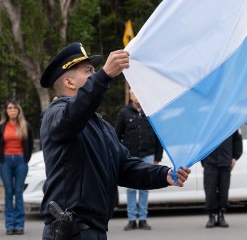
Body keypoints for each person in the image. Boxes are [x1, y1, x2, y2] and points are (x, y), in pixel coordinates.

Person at [39, 42, 191, 240]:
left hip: (95, 230)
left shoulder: (99, 125)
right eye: (88, 71)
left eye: (95, 71)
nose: (94, 75)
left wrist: (165, 175)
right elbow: (72, 115)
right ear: (69, 82)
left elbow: (124, 167)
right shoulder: (55, 114)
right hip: (71, 231)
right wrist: (104, 75)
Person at [115, 90, 164, 231]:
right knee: (130, 189)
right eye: (134, 93)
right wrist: (118, 155)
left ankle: (142, 219)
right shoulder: (124, 113)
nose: (137, 95)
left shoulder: (149, 112)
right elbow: (117, 136)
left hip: (148, 154)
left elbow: (157, 136)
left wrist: (157, 157)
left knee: (145, 188)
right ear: (130, 96)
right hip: (130, 155)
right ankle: (131, 219)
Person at [0, 100, 34, 236]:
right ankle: (10, 225)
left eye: (15, 108)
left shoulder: (25, 126)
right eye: (9, 108)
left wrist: (25, 159)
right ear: (6, 111)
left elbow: (30, 144)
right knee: (8, 193)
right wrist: (3, 158)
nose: (12, 110)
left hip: (20, 161)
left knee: (18, 193)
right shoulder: (0, 127)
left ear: (18, 111)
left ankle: (19, 225)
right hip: (5, 161)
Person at [201, 129, 243, 228]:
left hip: (225, 161)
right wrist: (203, 160)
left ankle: (221, 216)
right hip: (210, 162)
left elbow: (238, 140)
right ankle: (211, 216)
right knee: (210, 190)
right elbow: (200, 142)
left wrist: (235, 157)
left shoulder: (231, 122)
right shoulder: (207, 123)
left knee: (224, 190)